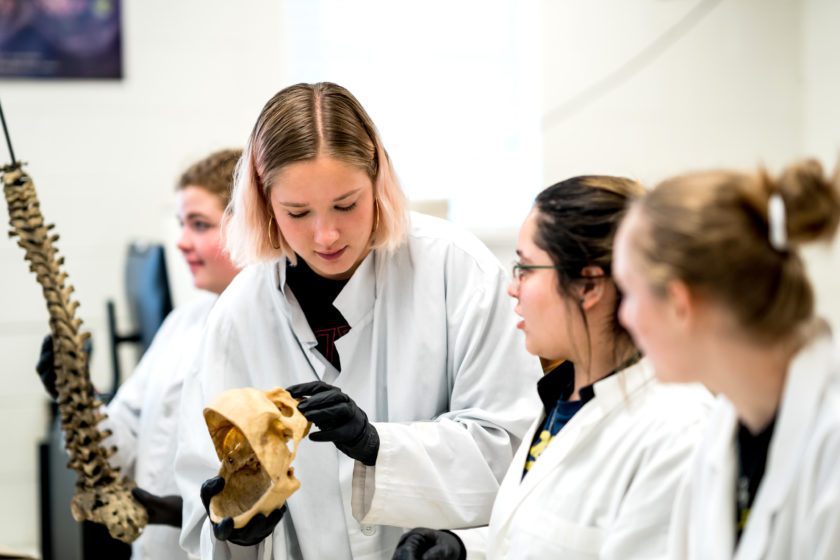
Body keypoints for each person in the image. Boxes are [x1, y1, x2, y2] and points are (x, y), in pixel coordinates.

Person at [173, 82, 542, 560]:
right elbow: (202, 489)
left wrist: (377, 445)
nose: (325, 235)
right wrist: (238, 525)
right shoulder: (238, 314)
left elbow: (512, 451)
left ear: (378, 179)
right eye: (297, 212)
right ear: (265, 203)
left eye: (346, 205)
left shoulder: (455, 269)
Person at [393, 176, 713, 559]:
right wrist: (465, 548)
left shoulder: (677, 433)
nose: (513, 288)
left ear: (588, 286)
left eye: (526, 268)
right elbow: (552, 538)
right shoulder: (564, 398)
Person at [612, 159, 840, 559]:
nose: (623, 316)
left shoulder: (830, 442)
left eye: (629, 292)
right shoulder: (725, 430)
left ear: (679, 304)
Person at [35, 148, 242, 560]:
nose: (181, 241)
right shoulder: (181, 323)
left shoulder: (273, 334)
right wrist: (75, 396)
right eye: (182, 224)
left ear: (248, 226)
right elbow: (123, 437)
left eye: (199, 225)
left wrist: (180, 511)